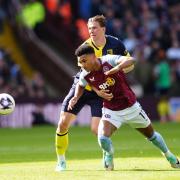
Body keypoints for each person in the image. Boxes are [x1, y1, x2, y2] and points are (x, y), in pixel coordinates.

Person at [68, 44, 180, 170]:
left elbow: (131, 60)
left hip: (131, 107)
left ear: (94, 57)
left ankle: (169, 156)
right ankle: (109, 155)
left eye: (84, 61)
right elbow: (80, 85)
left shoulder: (108, 60)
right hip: (111, 110)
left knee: (152, 136)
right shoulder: (85, 73)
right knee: (103, 138)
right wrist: (76, 97)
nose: (82, 65)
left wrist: (118, 68)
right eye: (79, 63)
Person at [55, 15, 133, 171]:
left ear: (103, 29)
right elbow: (85, 75)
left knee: (96, 129)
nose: (91, 31)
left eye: (94, 28)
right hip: (83, 87)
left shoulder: (116, 44)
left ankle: (106, 152)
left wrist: (117, 72)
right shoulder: (85, 47)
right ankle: (61, 161)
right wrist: (98, 88)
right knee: (63, 124)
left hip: (100, 92)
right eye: (89, 28)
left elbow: (129, 64)